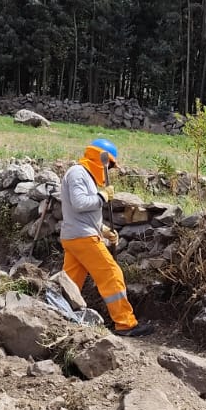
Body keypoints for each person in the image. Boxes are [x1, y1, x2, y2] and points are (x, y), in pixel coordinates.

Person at [59, 138, 154, 338]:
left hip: (78, 235)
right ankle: (125, 324)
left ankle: (57, 315)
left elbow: (82, 214)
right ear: (100, 159)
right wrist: (103, 196)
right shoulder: (78, 173)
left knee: (70, 282)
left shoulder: (84, 175)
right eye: (109, 165)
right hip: (83, 238)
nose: (108, 170)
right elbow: (79, 203)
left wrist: (103, 230)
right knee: (112, 274)